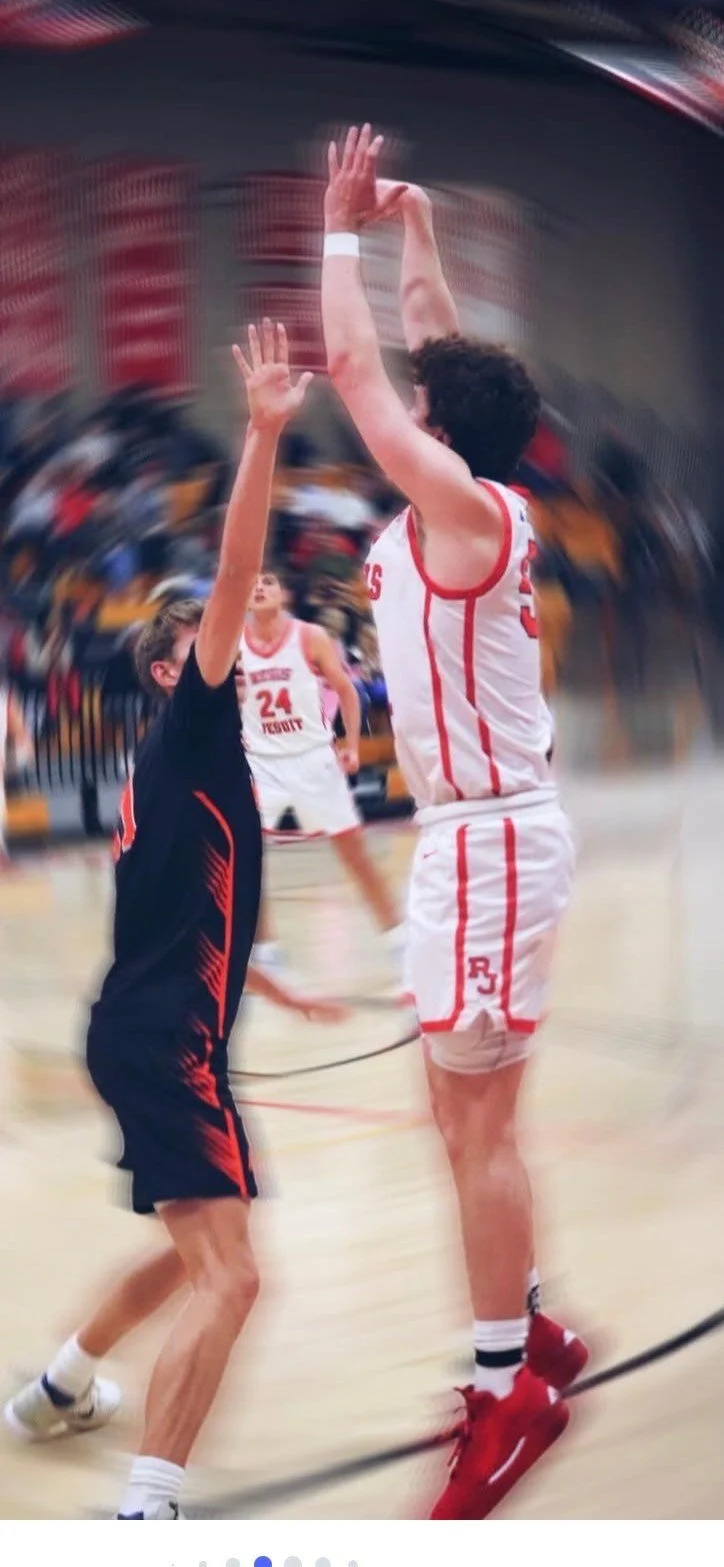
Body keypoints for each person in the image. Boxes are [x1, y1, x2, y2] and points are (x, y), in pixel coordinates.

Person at [4, 322, 343, 1521]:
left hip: (151, 1030)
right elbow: (240, 557)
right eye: (218, 642)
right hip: (163, 1047)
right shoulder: (191, 720)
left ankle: (55, 1387)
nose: (244, 651)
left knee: (189, 1245)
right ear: (174, 667)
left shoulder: (192, 771)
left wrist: (273, 975)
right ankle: (146, 1508)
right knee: (235, 1276)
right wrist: (260, 431)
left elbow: (186, 914)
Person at [321, 128, 584, 1520]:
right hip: (463, 842)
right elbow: (432, 355)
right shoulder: (485, 480)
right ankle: (524, 1328)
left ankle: (507, 1393)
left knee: (478, 1122)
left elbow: (366, 375)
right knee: (454, 1115)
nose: (416, 398)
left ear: (445, 431)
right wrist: (417, 233)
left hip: (490, 838)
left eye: (432, 402)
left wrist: (336, 230)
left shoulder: (466, 509)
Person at [241, 568, 404, 974]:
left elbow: (348, 692)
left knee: (355, 856)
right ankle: (265, 950)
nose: (260, 586)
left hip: (312, 757)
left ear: (285, 593)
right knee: (246, 857)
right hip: (261, 763)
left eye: (269, 580)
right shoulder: (233, 643)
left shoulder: (310, 636)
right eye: (253, 583)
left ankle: (399, 940)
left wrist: (349, 745)